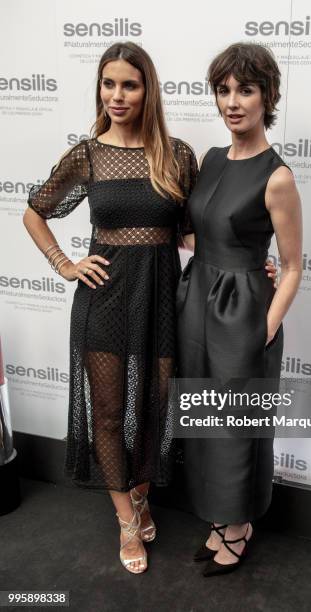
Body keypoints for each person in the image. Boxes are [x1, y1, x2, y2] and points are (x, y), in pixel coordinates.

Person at [23, 41, 198, 574]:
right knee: (107, 412)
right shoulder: (88, 154)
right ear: (99, 88)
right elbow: (35, 212)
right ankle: (125, 515)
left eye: (130, 84)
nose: (117, 95)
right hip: (105, 301)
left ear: (148, 90)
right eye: (109, 83)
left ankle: (141, 492)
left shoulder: (177, 155)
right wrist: (64, 263)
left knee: (154, 408)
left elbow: (192, 236)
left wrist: (247, 263)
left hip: (162, 301)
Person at [177, 42, 302, 576]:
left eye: (245, 90)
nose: (233, 102)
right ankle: (218, 517)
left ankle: (238, 526)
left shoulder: (278, 177)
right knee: (203, 420)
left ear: (267, 97)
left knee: (236, 424)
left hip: (244, 312)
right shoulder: (210, 159)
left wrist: (264, 329)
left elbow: (293, 264)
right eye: (224, 90)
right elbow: (194, 233)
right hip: (196, 302)